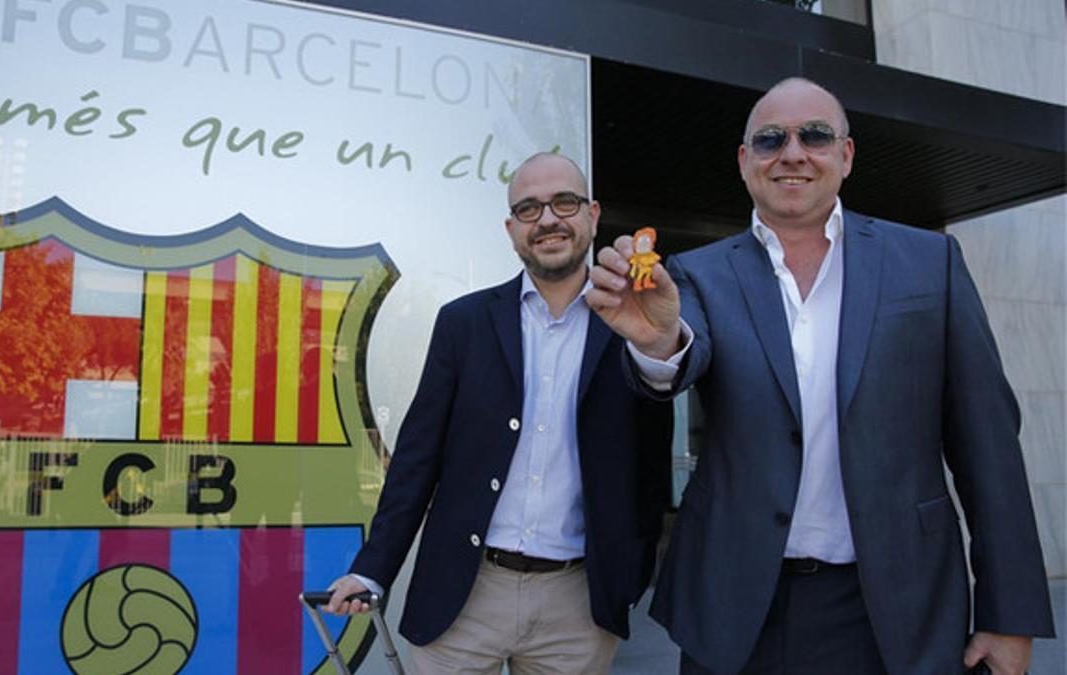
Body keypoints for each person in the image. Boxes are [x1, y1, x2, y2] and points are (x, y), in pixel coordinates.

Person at [586, 78, 1055, 675]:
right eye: (770, 139)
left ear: (846, 155)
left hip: (897, 608)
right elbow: (681, 354)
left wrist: (1008, 613)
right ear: (744, 160)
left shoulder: (929, 263)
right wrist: (658, 343)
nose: (792, 153)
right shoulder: (695, 273)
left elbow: (988, 446)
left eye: (814, 135)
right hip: (735, 611)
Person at [324, 152, 673, 673]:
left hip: (578, 607)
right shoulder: (463, 324)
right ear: (511, 230)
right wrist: (372, 570)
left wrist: (629, 579)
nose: (548, 219)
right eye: (529, 209)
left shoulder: (632, 325)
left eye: (564, 202)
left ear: (593, 215)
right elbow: (418, 459)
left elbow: (649, 468)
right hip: (464, 598)